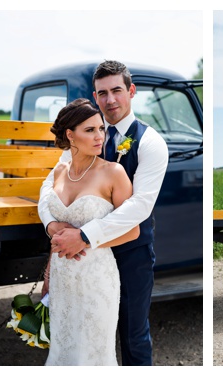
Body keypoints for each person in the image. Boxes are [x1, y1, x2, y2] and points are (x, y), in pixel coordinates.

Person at [39, 60, 169, 366]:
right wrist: (52, 227)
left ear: (131, 91)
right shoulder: (81, 135)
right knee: (79, 333)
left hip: (130, 251)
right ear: (94, 96)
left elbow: (140, 206)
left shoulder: (150, 142)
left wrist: (85, 236)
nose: (110, 100)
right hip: (79, 257)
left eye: (117, 91)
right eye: (102, 93)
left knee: (133, 334)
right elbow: (50, 187)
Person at [40, 99, 139, 365]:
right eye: (90, 130)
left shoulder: (113, 172)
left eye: (101, 129)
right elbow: (52, 222)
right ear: (70, 135)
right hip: (62, 279)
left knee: (93, 354)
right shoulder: (59, 172)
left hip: (97, 278)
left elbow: (133, 231)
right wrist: (49, 273)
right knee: (62, 350)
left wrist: (84, 242)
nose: (99, 137)